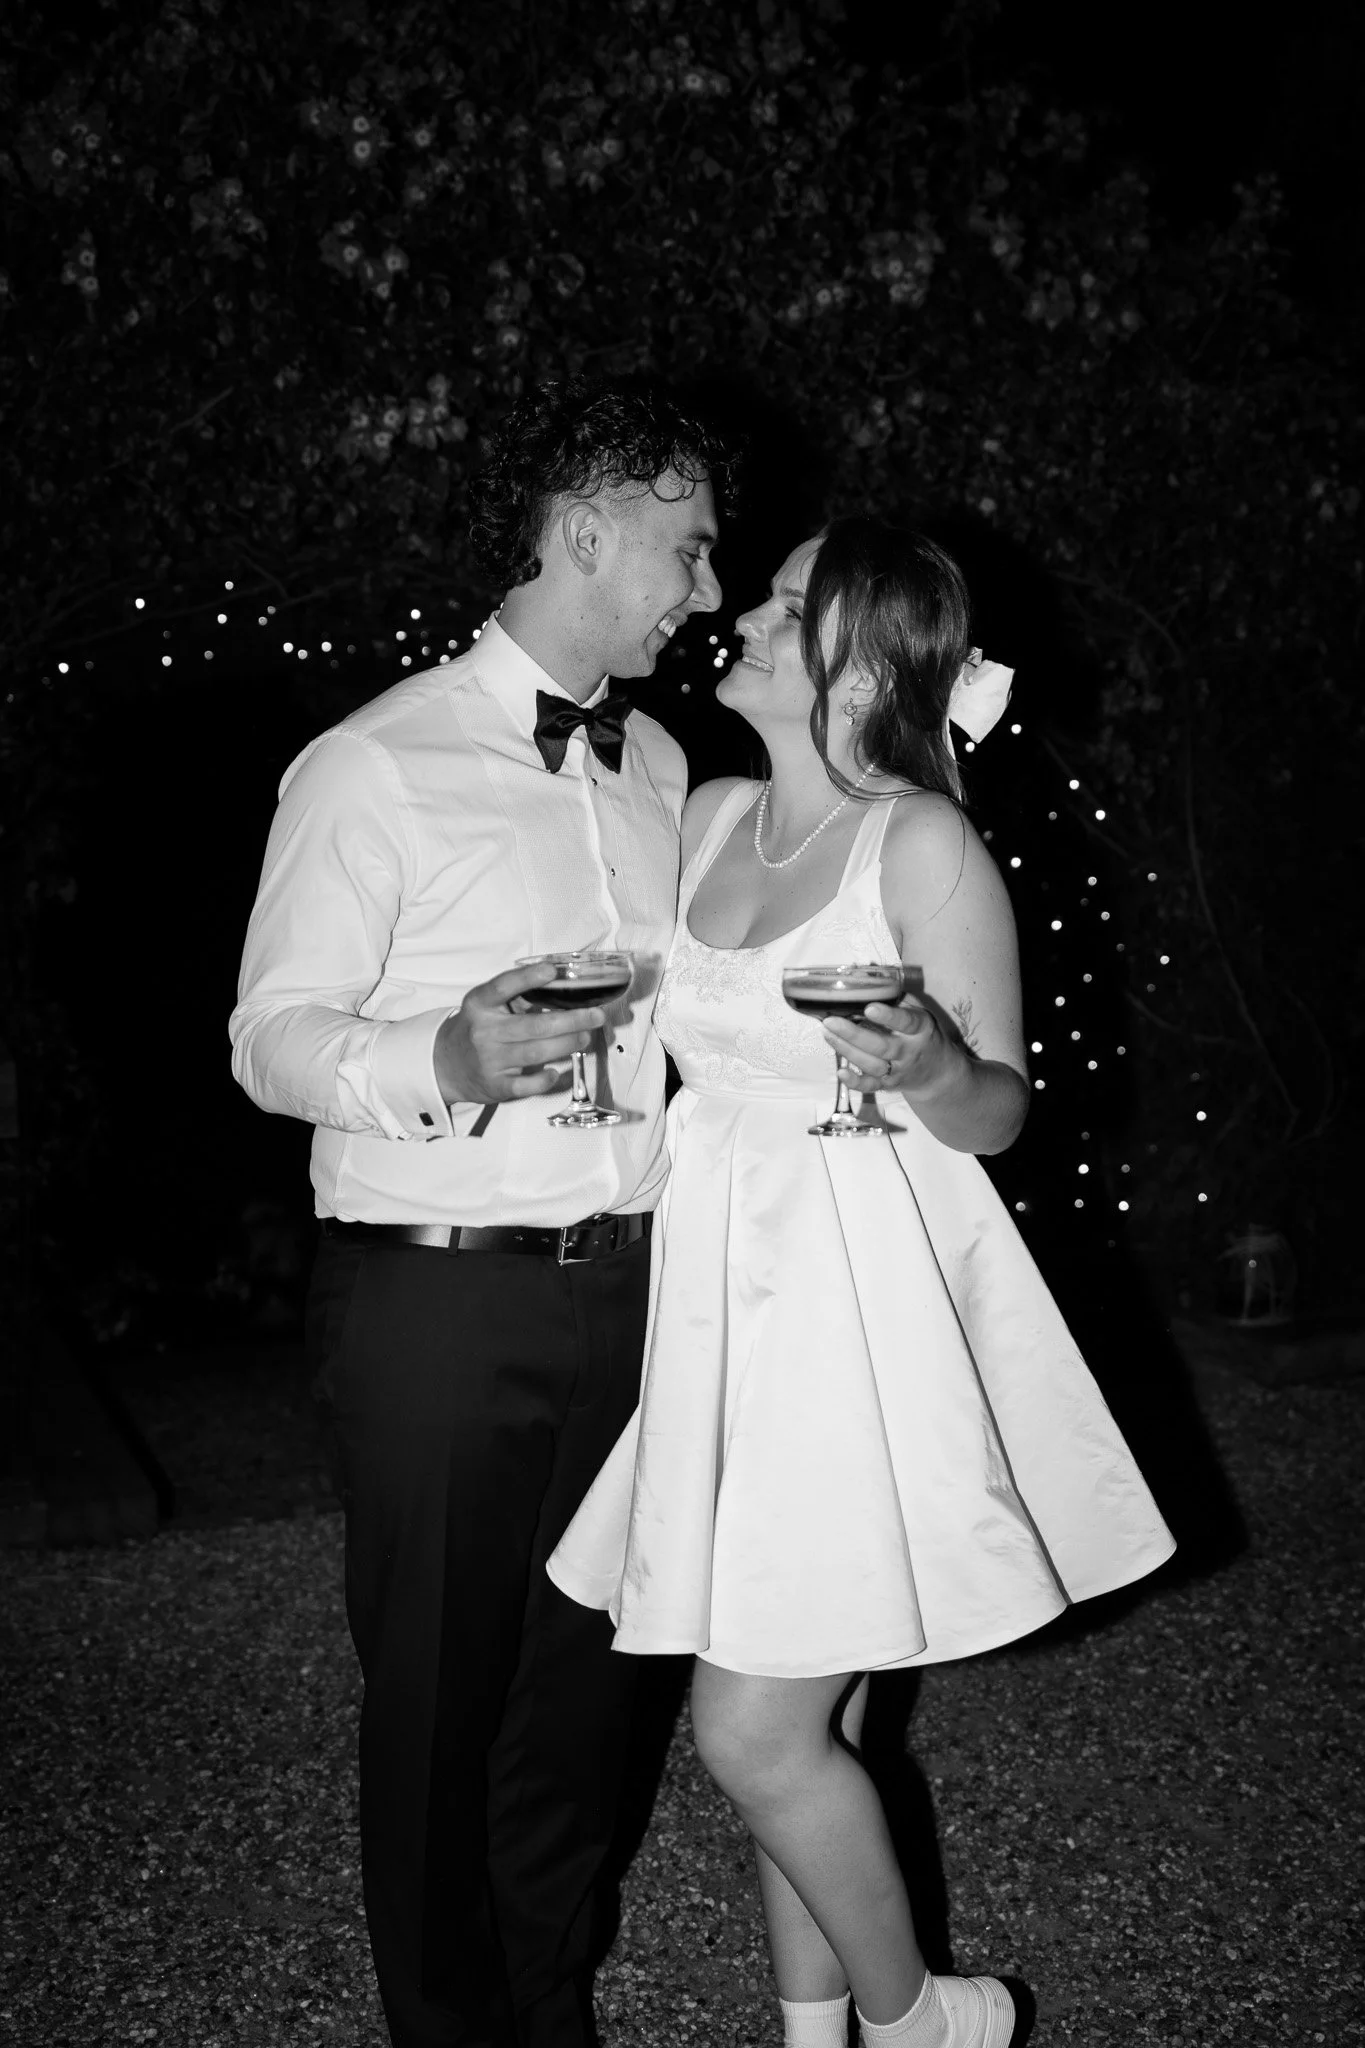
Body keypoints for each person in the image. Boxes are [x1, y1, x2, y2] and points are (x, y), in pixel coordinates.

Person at [548, 517, 1176, 2048]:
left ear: (857, 653)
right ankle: (816, 2040)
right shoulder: (704, 815)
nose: (746, 617)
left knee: (752, 1730)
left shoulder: (925, 843)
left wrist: (935, 1062)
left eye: (780, 602)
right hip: (720, 1302)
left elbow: (999, 1112)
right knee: (813, 1717)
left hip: (851, 1302)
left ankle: (926, 2020)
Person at [229, 376, 731, 2048]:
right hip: (436, 1305)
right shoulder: (373, 766)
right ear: (586, 533)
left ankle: (549, 2007)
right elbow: (269, 1037)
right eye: (688, 549)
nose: (705, 591)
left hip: (634, 1289)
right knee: (439, 1711)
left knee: (589, 1706)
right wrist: (441, 1052)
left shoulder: (660, 761)